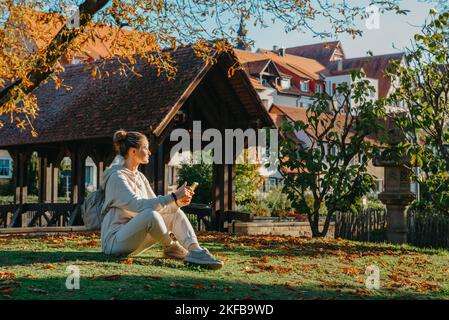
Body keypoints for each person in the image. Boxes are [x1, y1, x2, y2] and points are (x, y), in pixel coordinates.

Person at [100, 129, 223, 269]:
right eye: (145, 148)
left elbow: (158, 209)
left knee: (174, 213)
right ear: (133, 152)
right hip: (114, 243)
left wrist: (177, 202)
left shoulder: (140, 177)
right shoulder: (117, 177)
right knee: (149, 214)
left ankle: (196, 251)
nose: (149, 152)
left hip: (134, 242)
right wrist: (173, 196)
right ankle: (172, 248)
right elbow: (139, 206)